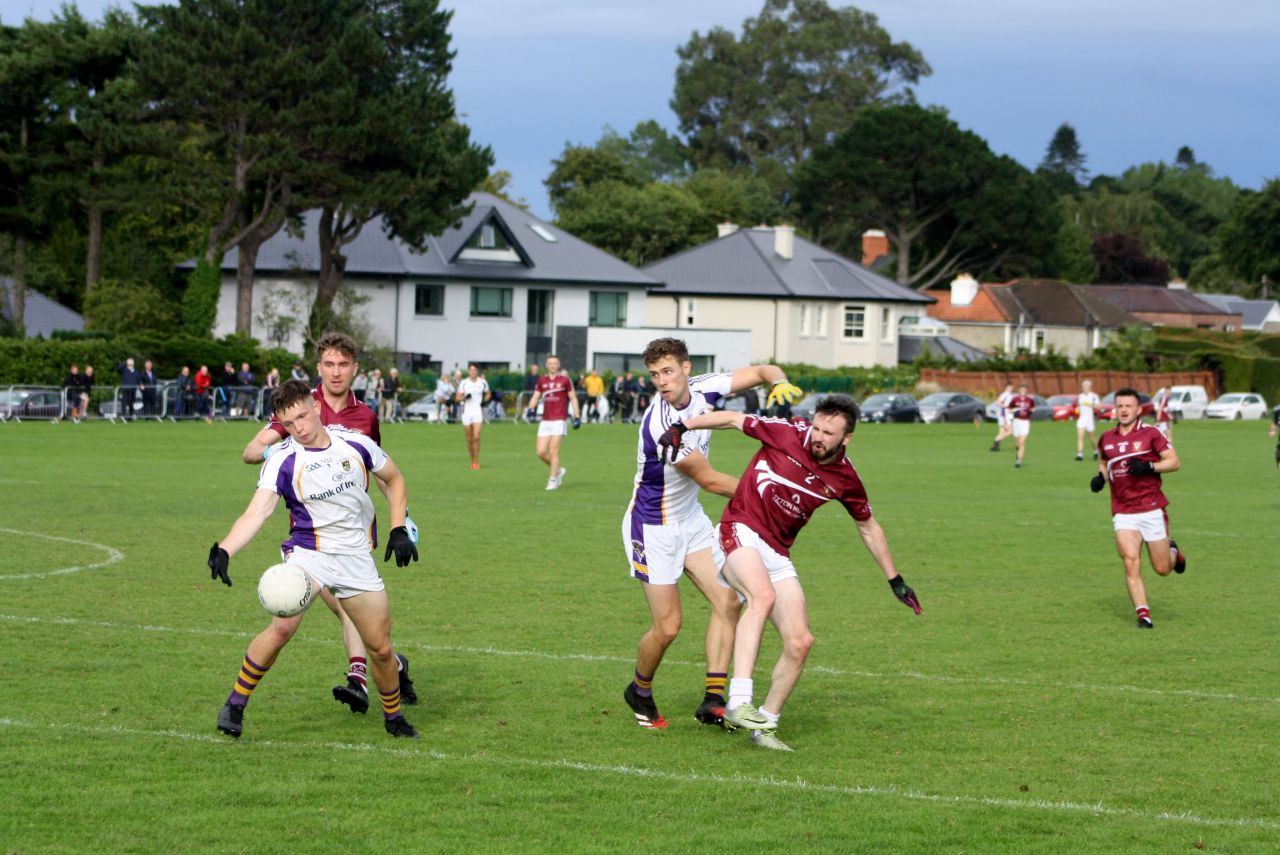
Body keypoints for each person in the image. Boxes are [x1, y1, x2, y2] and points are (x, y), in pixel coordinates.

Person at [662, 395, 921, 751]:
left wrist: (895, 580)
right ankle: (738, 700)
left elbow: (868, 527)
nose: (817, 436)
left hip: (777, 550)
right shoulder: (786, 433)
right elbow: (734, 420)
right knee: (761, 596)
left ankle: (765, 724)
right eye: (816, 427)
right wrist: (682, 426)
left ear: (846, 439)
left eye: (828, 433)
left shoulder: (845, 478)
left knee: (800, 642)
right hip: (739, 529)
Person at [208, 379, 421, 739]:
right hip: (308, 554)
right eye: (289, 424)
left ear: (317, 407)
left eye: (304, 418)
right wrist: (226, 548)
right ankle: (235, 703)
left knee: (382, 649)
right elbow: (256, 513)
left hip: (355, 557)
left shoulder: (355, 443)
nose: (299, 429)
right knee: (281, 627)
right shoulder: (282, 460)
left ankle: (394, 718)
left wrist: (398, 527)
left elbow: (395, 479)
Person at [620, 337, 801, 731]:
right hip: (653, 528)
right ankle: (640, 689)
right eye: (654, 375)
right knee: (668, 627)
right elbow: (710, 479)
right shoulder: (662, 425)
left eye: (667, 371)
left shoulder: (705, 386)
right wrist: (776, 488)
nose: (662, 381)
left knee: (729, 600)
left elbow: (762, 371)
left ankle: (713, 700)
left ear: (686, 367)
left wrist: (779, 383)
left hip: (692, 521)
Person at [242, 332, 418, 716]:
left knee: (348, 611)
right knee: (345, 612)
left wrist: (401, 522)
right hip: (308, 534)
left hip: (355, 531)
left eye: (343, 365)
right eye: (329, 365)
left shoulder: (365, 417)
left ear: (355, 369)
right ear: (318, 367)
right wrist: (280, 446)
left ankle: (367, 676)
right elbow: (250, 452)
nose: (336, 373)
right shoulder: (300, 408)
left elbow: (383, 473)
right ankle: (379, 671)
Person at [1091, 387, 1186, 629]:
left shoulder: (1151, 434)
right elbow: (1104, 462)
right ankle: (1143, 615)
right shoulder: (1107, 438)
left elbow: (1174, 461)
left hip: (1151, 508)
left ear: (1138, 409)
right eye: (1120, 405)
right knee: (1130, 561)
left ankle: (1174, 553)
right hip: (1123, 512)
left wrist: (1149, 468)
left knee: (1162, 569)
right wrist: (1100, 478)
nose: (1123, 410)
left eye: (1128, 406)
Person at [525, 355, 580, 490]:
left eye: (555, 363)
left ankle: (553, 479)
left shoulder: (565, 381)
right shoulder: (541, 381)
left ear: (558, 365)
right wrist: (530, 408)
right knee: (540, 452)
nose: (553, 365)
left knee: (553, 451)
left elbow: (573, 398)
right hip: (545, 421)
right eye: (550, 363)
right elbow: (535, 396)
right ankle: (558, 470)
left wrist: (577, 416)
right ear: (547, 365)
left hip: (559, 420)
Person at [456, 363, 491, 470]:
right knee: (469, 438)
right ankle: (472, 459)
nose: (473, 372)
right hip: (466, 412)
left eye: (474, 370)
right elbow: (457, 398)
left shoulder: (483, 382)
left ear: (477, 371)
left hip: (477, 412)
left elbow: (488, 393)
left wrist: (485, 400)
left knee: (476, 437)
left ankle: (476, 461)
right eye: (471, 370)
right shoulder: (464, 383)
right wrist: (464, 398)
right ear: (468, 371)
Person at [1008, 383, 1036, 468]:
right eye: (1021, 390)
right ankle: (1018, 453)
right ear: (1018, 391)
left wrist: (1030, 411)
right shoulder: (1014, 399)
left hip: (1025, 422)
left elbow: (1033, 408)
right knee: (1017, 443)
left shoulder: (1030, 400)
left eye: (1024, 390)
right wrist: (1014, 411)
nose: (1022, 391)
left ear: (1026, 391)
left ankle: (1019, 461)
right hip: (1016, 422)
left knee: (1022, 442)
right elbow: (1010, 409)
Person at [1075, 379, 1101, 461]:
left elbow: (1098, 407)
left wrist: (1089, 404)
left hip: (1090, 420)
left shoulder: (1094, 396)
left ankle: (1096, 451)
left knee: (1092, 438)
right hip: (1081, 419)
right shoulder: (1080, 396)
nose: (1085, 388)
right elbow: (1079, 406)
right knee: (1080, 436)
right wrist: (1077, 409)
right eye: (1084, 387)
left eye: (1087, 386)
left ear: (1090, 387)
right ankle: (1079, 454)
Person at [989, 383, 1014, 452]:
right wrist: (1005, 406)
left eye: (1011, 387)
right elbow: (998, 403)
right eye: (1009, 387)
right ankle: (997, 442)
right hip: (1004, 416)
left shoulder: (1010, 395)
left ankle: (994, 447)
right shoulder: (1004, 395)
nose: (1010, 388)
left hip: (1006, 415)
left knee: (1001, 433)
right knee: (1010, 431)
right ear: (1005, 388)